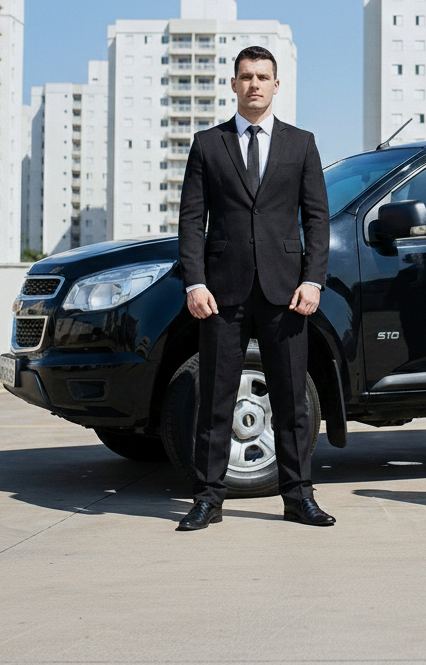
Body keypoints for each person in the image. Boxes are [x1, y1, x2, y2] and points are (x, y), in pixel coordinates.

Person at [175, 46, 332, 531]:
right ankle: (208, 498)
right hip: (222, 292)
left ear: (276, 84)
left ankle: (298, 497)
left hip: (287, 291)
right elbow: (191, 220)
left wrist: (313, 279)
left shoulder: (301, 144)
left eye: (263, 77)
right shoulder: (208, 144)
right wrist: (195, 282)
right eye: (246, 77)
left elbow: (317, 218)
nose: (255, 84)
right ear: (234, 84)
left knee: (292, 401)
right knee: (215, 399)